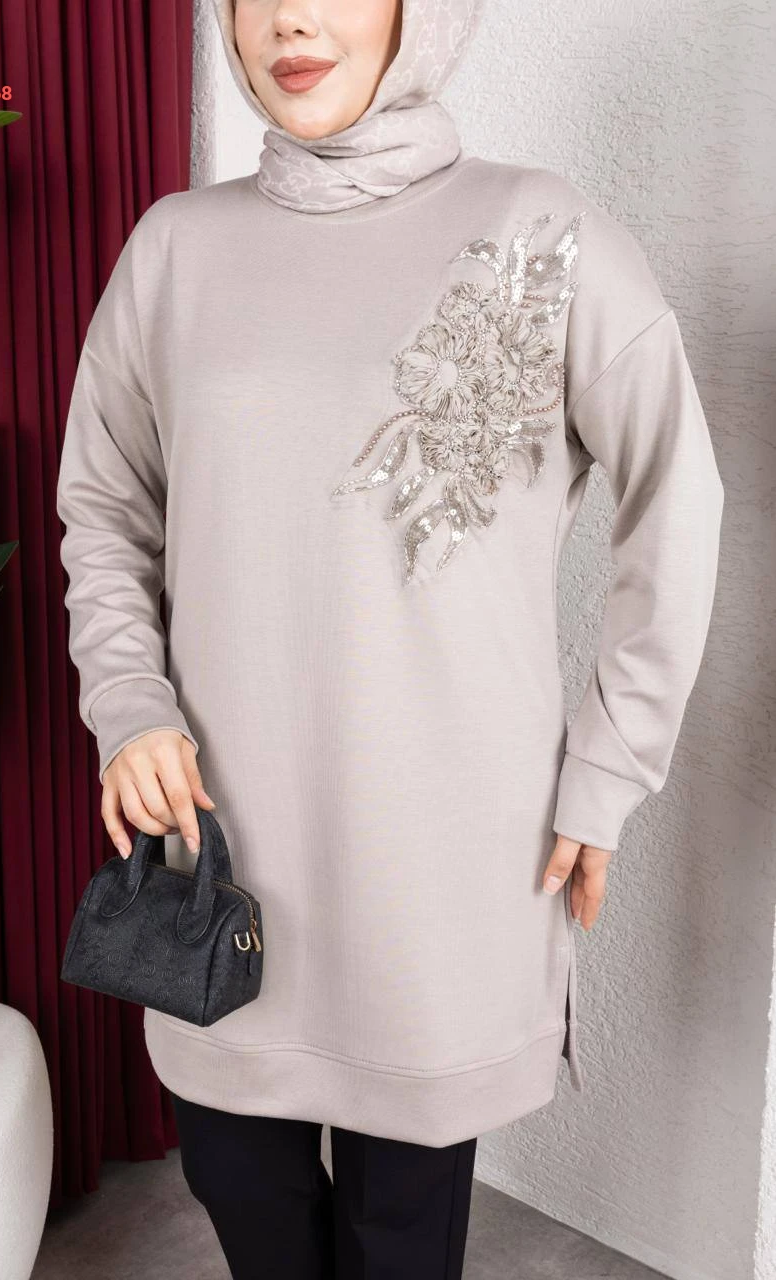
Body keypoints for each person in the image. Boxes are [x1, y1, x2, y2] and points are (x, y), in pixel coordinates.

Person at [55, 0, 725, 1275]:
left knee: (401, 1227)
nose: (290, 20)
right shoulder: (176, 249)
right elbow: (105, 504)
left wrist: (608, 766)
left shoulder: (543, 233)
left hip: (444, 858)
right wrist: (130, 703)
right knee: (236, 1179)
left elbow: (676, 503)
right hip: (224, 842)